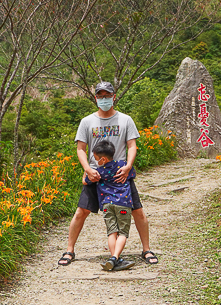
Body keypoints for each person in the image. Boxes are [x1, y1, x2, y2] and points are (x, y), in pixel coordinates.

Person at [58, 81, 159, 267]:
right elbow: (81, 149)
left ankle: (146, 249)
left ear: (114, 96)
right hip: (95, 175)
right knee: (81, 211)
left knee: (137, 211)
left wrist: (128, 166)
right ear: (96, 98)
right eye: (100, 96)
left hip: (120, 175)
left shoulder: (125, 120)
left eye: (107, 95)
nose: (104, 99)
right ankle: (69, 250)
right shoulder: (87, 122)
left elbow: (131, 145)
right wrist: (88, 169)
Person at [85, 140, 136, 271]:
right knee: (123, 233)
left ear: (102, 159)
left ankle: (115, 260)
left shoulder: (98, 172)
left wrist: (87, 171)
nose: (96, 162)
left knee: (111, 232)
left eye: (96, 159)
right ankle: (114, 258)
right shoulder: (123, 166)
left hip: (107, 205)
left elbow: (85, 181)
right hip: (123, 204)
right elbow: (133, 174)